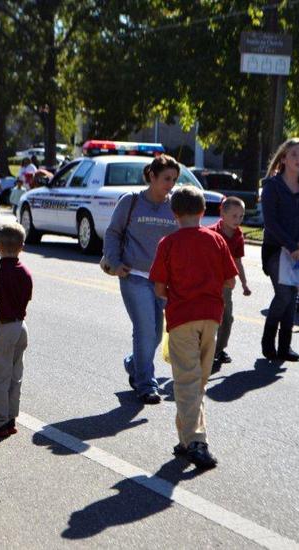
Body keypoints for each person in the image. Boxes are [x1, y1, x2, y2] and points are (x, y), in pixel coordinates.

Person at [149, 186, 238, 469]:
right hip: (211, 317)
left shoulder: (168, 243)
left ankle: (197, 441)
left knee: (186, 380)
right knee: (198, 380)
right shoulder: (216, 240)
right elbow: (230, 281)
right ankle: (186, 439)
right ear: (202, 211)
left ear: (174, 213)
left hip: (182, 318)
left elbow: (159, 287)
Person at [101, 154, 179, 404]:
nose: (170, 184)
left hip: (162, 281)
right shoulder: (131, 201)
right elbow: (113, 233)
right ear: (152, 177)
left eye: (174, 180)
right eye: (166, 178)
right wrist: (114, 262)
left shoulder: (174, 206)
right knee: (145, 330)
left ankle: (134, 364)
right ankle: (146, 384)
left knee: (155, 335)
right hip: (133, 275)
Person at [260, 137, 299, 362]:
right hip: (276, 249)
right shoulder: (272, 186)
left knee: (293, 295)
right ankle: (268, 341)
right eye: (294, 154)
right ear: (283, 159)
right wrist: (291, 245)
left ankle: (285, 346)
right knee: (284, 293)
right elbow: (271, 223)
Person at [0, 223, 32, 438]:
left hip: (2, 327)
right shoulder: (25, 272)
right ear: (22, 246)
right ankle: (11, 416)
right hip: (20, 326)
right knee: (15, 375)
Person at [209, 196, 252, 373]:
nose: (238, 220)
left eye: (241, 216)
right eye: (234, 216)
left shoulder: (238, 235)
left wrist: (244, 284)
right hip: (209, 284)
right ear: (222, 214)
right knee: (210, 319)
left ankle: (218, 350)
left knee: (227, 319)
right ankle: (206, 351)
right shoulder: (211, 233)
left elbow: (237, 261)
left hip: (226, 284)